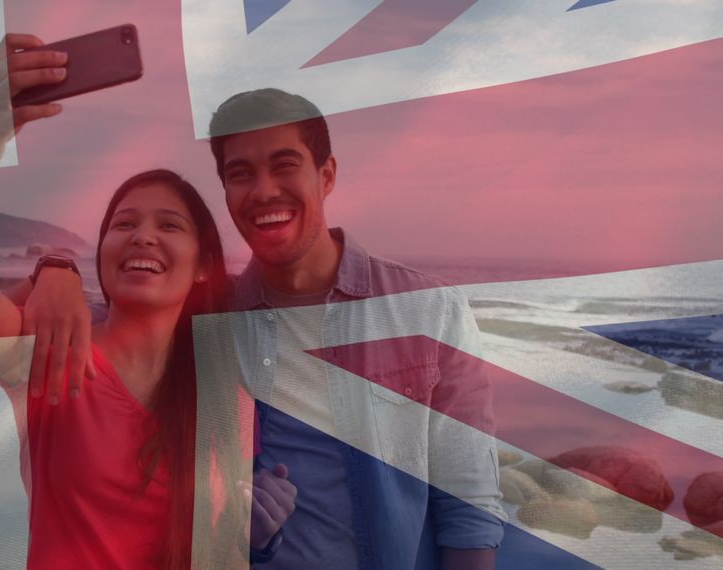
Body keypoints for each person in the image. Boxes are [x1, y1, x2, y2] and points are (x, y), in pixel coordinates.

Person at [25, 88, 507, 568]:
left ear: (327, 175)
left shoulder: (426, 311)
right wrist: (54, 269)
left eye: (284, 165)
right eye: (240, 174)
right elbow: (114, 314)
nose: (263, 191)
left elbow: (468, 501)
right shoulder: (211, 316)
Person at [0, 35, 295, 569]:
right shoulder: (59, 358)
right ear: (103, 253)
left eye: (168, 225)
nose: (142, 237)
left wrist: (262, 537)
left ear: (203, 264)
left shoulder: (229, 396)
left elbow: (221, 550)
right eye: (122, 224)